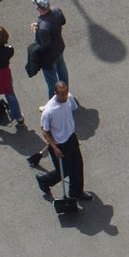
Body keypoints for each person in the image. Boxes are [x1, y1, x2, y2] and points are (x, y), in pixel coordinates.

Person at [36, 80, 89, 209]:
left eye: (65, 94)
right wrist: (54, 147)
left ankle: (76, 191)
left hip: (71, 137)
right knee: (64, 171)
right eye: (61, 95)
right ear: (55, 93)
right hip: (58, 144)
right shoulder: (48, 111)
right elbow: (44, 130)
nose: (64, 97)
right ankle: (44, 181)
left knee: (77, 165)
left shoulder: (69, 98)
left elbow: (71, 110)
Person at [29, 0, 70, 88]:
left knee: (52, 83)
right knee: (62, 70)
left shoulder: (43, 27)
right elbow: (63, 22)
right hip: (59, 48)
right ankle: (65, 92)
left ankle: (56, 98)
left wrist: (36, 31)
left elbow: (44, 44)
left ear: (38, 8)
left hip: (49, 57)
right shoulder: (57, 11)